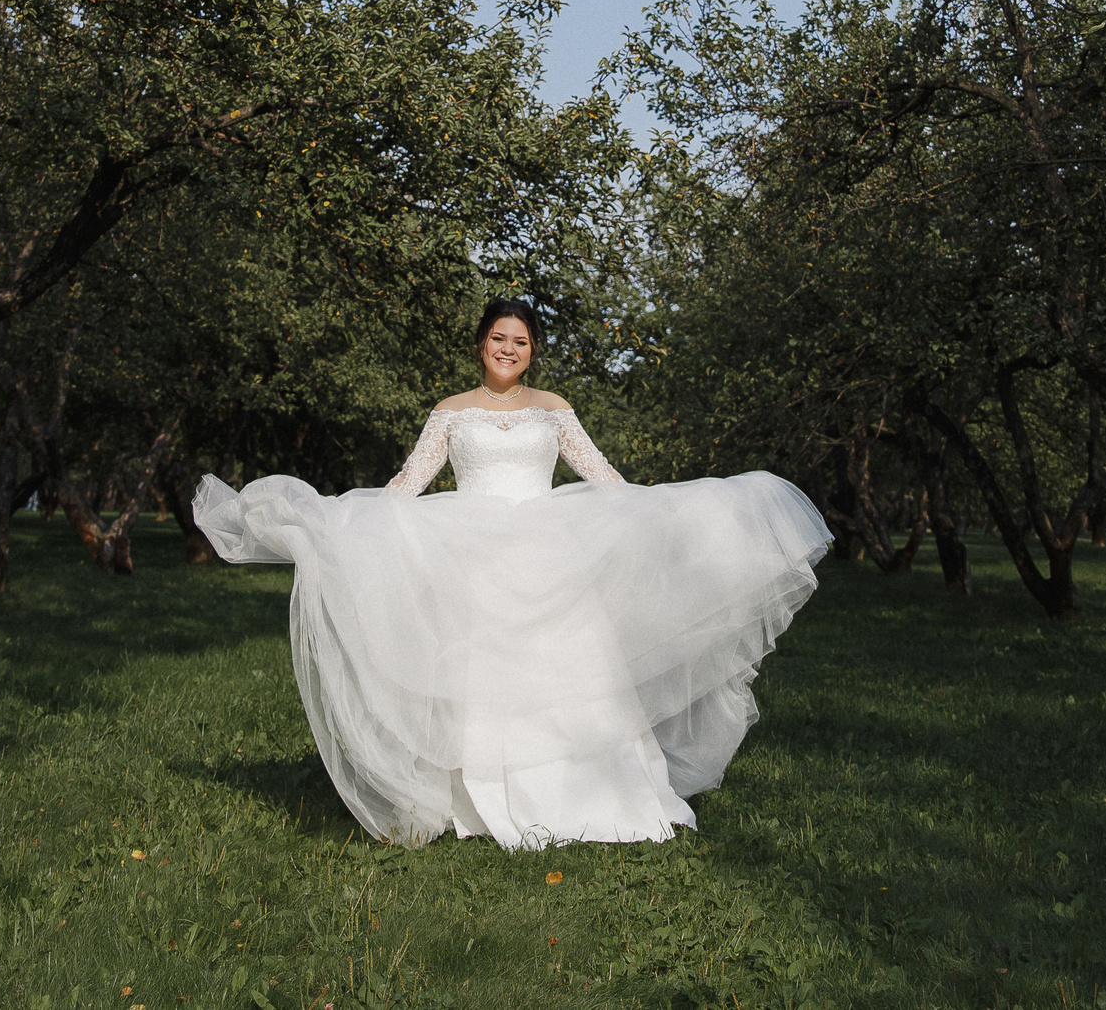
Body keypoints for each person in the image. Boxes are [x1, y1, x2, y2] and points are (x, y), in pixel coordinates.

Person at [192, 298, 831, 850]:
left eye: (520, 341)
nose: (508, 349)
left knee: (571, 667)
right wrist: (343, 525)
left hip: (550, 553)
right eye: (499, 338)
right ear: (481, 344)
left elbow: (603, 479)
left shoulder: (554, 409)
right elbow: (407, 486)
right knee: (484, 674)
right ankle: (480, 802)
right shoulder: (450, 411)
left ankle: (599, 797)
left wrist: (659, 509)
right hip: (475, 554)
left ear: (533, 351)